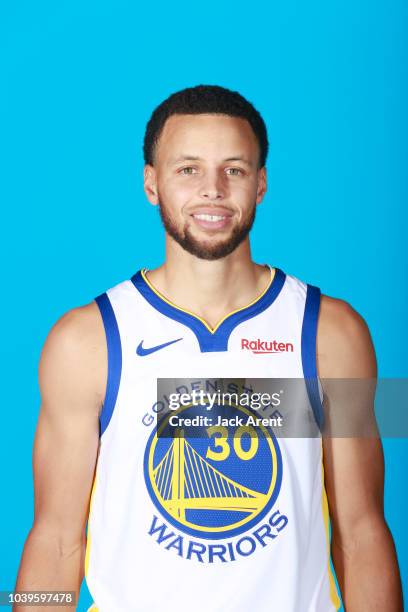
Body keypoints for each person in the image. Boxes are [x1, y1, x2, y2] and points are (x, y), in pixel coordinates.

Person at [15, 85, 403, 611]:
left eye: (235, 169)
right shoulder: (84, 342)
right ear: (151, 183)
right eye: (188, 169)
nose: (213, 190)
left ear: (261, 183)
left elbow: (362, 535)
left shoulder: (334, 333)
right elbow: (55, 540)